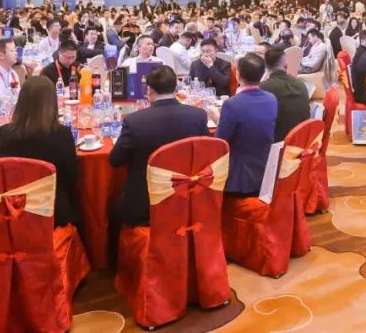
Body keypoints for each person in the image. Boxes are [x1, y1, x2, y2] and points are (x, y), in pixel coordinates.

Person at [109, 65, 209, 227]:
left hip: (146, 202)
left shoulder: (135, 121)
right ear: (176, 88)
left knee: (112, 214)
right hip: (187, 196)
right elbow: (205, 154)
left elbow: (115, 160)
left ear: (148, 90)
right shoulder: (198, 116)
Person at [0, 77, 84, 236]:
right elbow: (72, 176)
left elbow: (0, 174)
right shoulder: (61, 135)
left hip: (16, 208)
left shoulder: (4, 134)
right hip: (54, 210)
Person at [215, 54, 277, 197]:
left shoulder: (232, 104)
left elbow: (220, 141)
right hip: (265, 167)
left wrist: (219, 119)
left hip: (239, 176)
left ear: (238, 75)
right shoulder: (272, 99)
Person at [259, 46, 310, 142]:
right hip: (302, 141)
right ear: (286, 64)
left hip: (278, 145)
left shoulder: (263, 89)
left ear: (266, 66)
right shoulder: (301, 84)